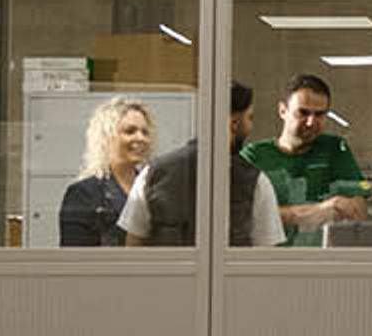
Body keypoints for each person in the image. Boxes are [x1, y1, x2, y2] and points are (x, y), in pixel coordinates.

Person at [125, 83, 282, 248]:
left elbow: (134, 244)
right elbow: (265, 254)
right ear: (234, 123)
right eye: (249, 118)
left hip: (165, 274)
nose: (251, 126)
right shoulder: (255, 181)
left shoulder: (153, 172)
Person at [241, 74, 372, 247]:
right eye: (303, 113)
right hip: (268, 262)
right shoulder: (255, 156)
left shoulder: (335, 149)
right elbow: (242, 216)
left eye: (319, 114)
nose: (311, 122)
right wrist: (313, 212)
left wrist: (352, 205)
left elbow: (360, 204)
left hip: (320, 262)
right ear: (282, 111)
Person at [58, 96, 155, 247]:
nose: (140, 138)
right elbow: (76, 260)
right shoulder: (82, 194)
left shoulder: (153, 187)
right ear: (106, 137)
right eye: (130, 131)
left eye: (145, 132)